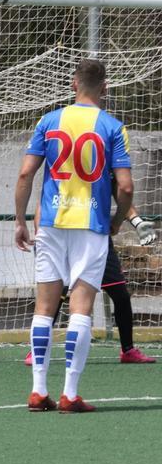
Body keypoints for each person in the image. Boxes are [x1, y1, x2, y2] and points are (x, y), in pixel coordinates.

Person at [15, 58, 134, 413]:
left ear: (73, 84)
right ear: (106, 87)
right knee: (81, 308)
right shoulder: (113, 126)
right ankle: (70, 393)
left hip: (50, 224)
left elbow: (25, 175)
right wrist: (117, 220)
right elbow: (125, 185)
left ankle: (38, 391)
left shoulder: (49, 120)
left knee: (44, 308)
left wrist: (20, 220)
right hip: (90, 227)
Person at [24, 205, 156, 366]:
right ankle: (38, 351)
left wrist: (135, 221)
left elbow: (123, 192)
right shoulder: (62, 182)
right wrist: (41, 235)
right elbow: (43, 204)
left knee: (120, 294)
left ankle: (128, 350)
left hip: (95, 238)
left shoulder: (102, 180)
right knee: (58, 296)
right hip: (69, 237)